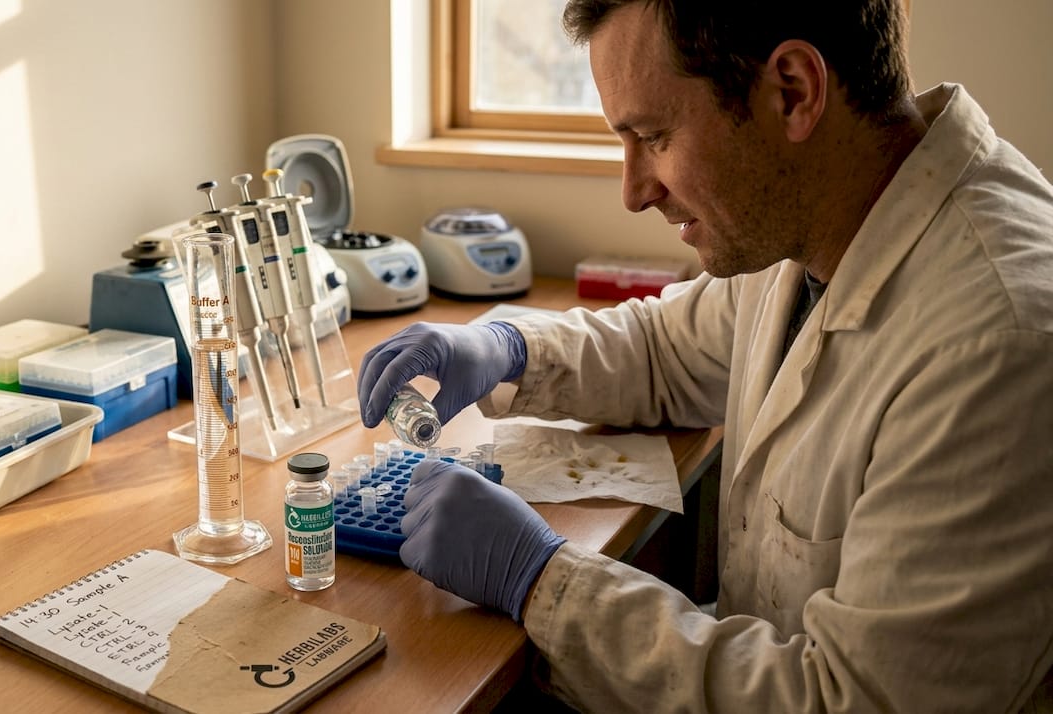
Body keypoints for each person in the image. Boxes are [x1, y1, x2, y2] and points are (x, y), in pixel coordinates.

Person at [357, 1, 1053, 711]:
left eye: (653, 136)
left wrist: (539, 579)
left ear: (793, 92)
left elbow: (847, 701)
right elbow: (667, 349)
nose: (634, 192)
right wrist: (509, 349)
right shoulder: (813, 222)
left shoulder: (996, 345)